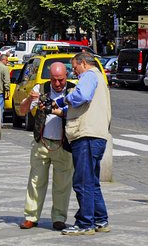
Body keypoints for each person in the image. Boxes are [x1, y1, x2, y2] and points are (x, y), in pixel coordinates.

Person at [54, 52, 112, 235]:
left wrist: (65, 99)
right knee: (92, 182)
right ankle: (100, 220)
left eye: (75, 67)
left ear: (84, 64)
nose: (74, 72)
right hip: (97, 135)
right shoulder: (100, 78)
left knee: (82, 182)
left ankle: (85, 223)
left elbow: (82, 95)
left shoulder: (89, 76)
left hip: (86, 135)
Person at [18, 62, 74, 231]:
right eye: (54, 79)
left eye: (61, 80)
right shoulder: (40, 88)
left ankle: (58, 217)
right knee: (35, 181)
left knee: (62, 184)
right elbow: (22, 111)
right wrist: (29, 98)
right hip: (41, 142)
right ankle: (31, 216)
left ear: (67, 76)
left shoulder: (73, 91)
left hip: (63, 144)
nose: (57, 84)